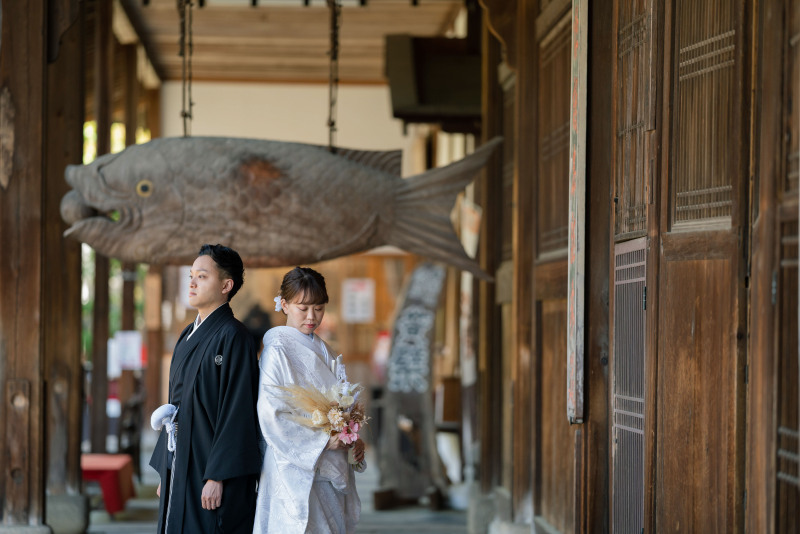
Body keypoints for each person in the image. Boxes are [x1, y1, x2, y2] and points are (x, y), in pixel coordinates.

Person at [149, 244, 262, 534]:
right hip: (181, 460)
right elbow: (174, 406)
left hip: (211, 468)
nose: (192, 283)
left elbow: (238, 410)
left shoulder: (234, 336)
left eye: (202, 276)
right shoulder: (187, 334)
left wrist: (218, 476)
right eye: (191, 276)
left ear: (226, 285)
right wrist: (166, 467)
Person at [254, 266, 365, 534]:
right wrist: (323, 441)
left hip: (330, 461)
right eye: (303, 308)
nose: (312, 316)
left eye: (319, 308)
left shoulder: (325, 349)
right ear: (284, 305)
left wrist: (351, 437)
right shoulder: (276, 351)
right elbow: (272, 414)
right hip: (294, 464)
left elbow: (342, 402)